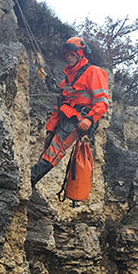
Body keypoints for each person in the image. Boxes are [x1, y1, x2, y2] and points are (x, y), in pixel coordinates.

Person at [30, 36, 109, 187]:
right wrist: (50, 129)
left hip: (78, 120)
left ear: (80, 54)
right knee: (47, 148)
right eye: (67, 55)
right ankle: (31, 180)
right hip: (64, 117)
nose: (69, 58)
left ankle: (30, 178)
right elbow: (61, 102)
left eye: (72, 54)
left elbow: (102, 101)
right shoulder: (68, 79)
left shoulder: (93, 72)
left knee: (54, 151)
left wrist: (89, 119)